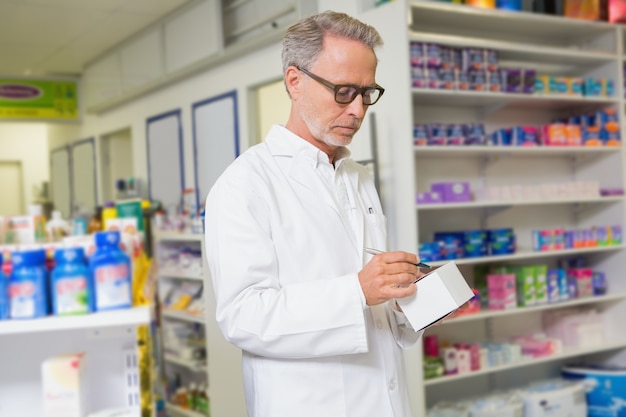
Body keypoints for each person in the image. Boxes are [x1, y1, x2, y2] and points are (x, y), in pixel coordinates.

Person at [204, 10, 426, 417]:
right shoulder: (245, 184)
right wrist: (356, 290)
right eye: (343, 91)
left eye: (367, 92)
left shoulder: (358, 178)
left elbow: (373, 306)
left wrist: (411, 303)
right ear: (295, 81)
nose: (358, 110)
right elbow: (244, 316)